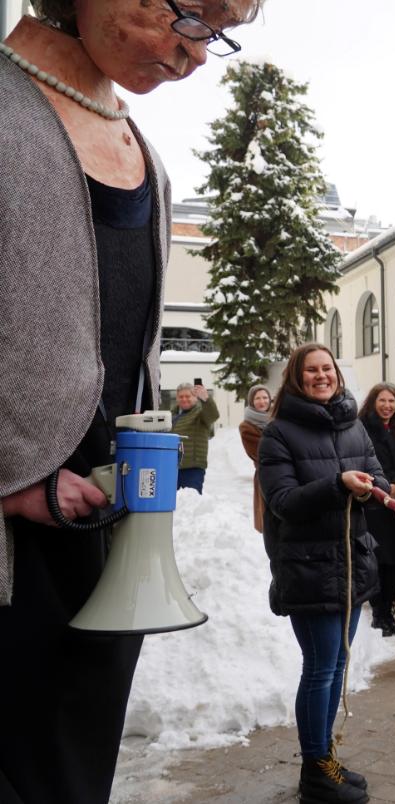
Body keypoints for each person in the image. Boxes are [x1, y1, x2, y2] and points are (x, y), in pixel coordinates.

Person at [0, 2, 256, 800]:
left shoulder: (145, 155)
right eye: (193, 13)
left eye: (220, 30)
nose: (198, 54)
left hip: (103, 547)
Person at [257, 343, 386, 804]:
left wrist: (370, 489)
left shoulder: (354, 426)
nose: (321, 376)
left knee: (336, 665)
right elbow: (282, 502)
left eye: (327, 368)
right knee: (320, 668)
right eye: (311, 370)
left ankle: (325, 757)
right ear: (296, 378)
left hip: (350, 564)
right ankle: (315, 771)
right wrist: (337, 485)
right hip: (308, 568)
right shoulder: (278, 434)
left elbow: (380, 480)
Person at [359, 382, 395, 637]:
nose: (387, 406)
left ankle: (389, 608)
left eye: (392, 401)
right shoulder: (362, 429)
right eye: (382, 400)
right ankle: (378, 612)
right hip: (372, 502)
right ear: (373, 402)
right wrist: (382, 486)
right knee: (377, 559)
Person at [171, 380, 220, 493]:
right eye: (181, 396)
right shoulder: (172, 416)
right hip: (172, 468)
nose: (184, 399)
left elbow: (213, 415)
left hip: (192, 469)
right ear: (177, 399)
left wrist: (206, 399)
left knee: (190, 501)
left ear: (195, 398)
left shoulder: (200, 413)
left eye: (188, 396)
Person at [239, 383, 273, 533]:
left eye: (265, 397)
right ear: (251, 401)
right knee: (269, 522)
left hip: (287, 474)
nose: (262, 401)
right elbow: (260, 452)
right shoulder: (246, 426)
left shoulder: (278, 418)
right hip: (265, 474)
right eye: (257, 398)